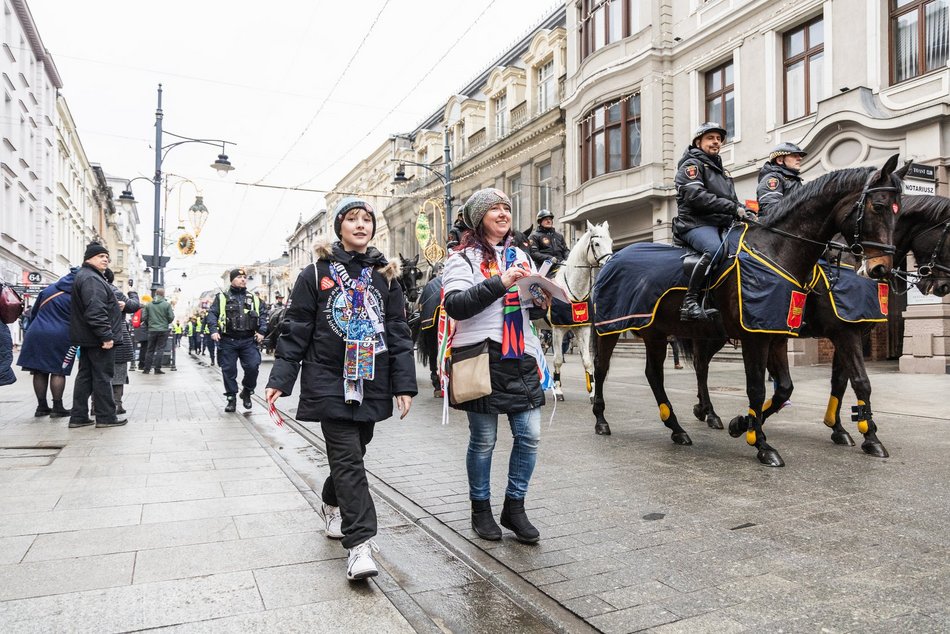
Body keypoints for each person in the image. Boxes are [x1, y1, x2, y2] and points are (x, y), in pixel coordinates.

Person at [265, 197, 416, 581]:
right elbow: (297, 327)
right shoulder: (315, 275)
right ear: (340, 228)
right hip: (328, 377)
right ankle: (360, 546)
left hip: (371, 378)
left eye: (367, 219)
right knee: (349, 460)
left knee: (354, 452)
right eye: (353, 219)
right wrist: (280, 379)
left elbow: (398, 332)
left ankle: (332, 502)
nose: (361, 225)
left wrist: (404, 384)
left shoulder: (386, 276)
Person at [442, 188, 550, 545]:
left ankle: (514, 507)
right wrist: (500, 282)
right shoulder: (462, 260)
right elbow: (456, 305)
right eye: (495, 209)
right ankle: (481, 509)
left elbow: (531, 310)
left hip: (520, 353)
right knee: (484, 440)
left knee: (530, 435)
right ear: (479, 218)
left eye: (507, 207)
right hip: (480, 356)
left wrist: (541, 299)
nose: (504, 213)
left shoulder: (520, 254)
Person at [673, 122, 755, 321]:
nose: (716, 142)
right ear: (698, 142)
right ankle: (689, 302)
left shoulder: (720, 171)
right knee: (714, 249)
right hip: (695, 224)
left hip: (720, 224)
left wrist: (748, 210)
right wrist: (733, 208)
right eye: (711, 138)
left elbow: (731, 201)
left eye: (719, 139)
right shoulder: (691, 165)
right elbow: (696, 196)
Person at [68, 243, 126, 428]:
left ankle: (78, 417)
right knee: (102, 377)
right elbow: (95, 311)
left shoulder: (87, 276)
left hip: (88, 338)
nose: (106, 259)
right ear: (89, 258)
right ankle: (106, 417)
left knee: (85, 376)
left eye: (107, 256)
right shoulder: (92, 279)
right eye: (101, 256)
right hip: (98, 340)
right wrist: (106, 336)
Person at [16, 268, 78, 417]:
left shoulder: (49, 289)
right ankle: (58, 407)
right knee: (58, 370)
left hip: (37, 332)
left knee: (38, 370)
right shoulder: (78, 294)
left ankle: (41, 407)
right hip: (61, 334)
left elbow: (34, 312)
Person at [207, 268, 268, 412]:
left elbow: (264, 314)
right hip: (228, 340)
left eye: (244, 277)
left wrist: (261, 331)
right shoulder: (222, 297)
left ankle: (247, 391)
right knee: (228, 370)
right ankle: (231, 399)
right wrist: (214, 330)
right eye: (240, 277)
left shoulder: (253, 298)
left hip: (248, 340)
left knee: (253, 367)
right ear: (232, 279)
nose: (243, 279)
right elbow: (212, 315)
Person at [102, 268, 139, 415]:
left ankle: (95, 405)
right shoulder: (114, 291)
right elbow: (134, 305)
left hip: (97, 335)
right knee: (118, 372)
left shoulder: (90, 290)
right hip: (118, 334)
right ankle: (117, 404)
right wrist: (132, 291)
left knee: (99, 373)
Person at [756, 142, 807, 215]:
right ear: (780, 160)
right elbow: (772, 210)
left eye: (799, 156)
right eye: (794, 155)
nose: (800, 158)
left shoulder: (792, 179)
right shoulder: (773, 178)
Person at [141, 288, 175, 374]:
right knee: (160, 349)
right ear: (163, 294)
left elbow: (144, 317)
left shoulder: (149, 305)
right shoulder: (166, 305)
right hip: (163, 329)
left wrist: (150, 324)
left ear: (155, 294)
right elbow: (171, 317)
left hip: (152, 330)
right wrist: (166, 322)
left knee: (150, 349)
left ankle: (146, 369)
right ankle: (157, 369)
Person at [527, 209, 570, 273]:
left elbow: (565, 250)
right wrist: (550, 258)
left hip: (561, 265)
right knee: (541, 282)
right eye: (546, 219)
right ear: (540, 222)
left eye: (550, 219)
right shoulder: (534, 236)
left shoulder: (559, 236)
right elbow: (533, 253)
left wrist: (569, 257)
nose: (548, 221)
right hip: (544, 267)